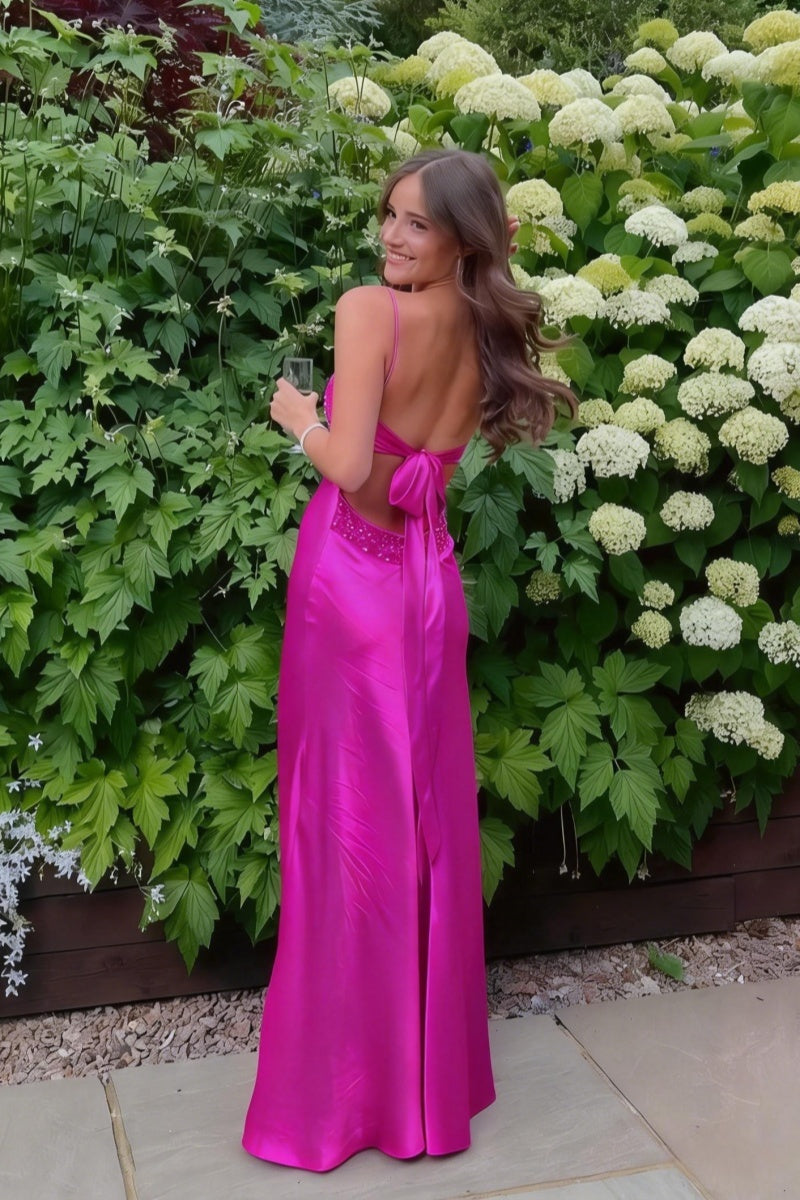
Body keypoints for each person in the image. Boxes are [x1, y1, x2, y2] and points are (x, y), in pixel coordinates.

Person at [241, 147, 576, 1173]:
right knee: (417, 828)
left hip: (350, 587)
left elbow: (350, 468)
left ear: (462, 239)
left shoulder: (368, 310)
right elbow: (422, 463)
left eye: (416, 222)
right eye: (388, 215)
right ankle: (419, 1094)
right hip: (426, 588)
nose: (391, 235)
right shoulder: (481, 328)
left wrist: (300, 419)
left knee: (339, 830)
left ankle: (340, 1102)